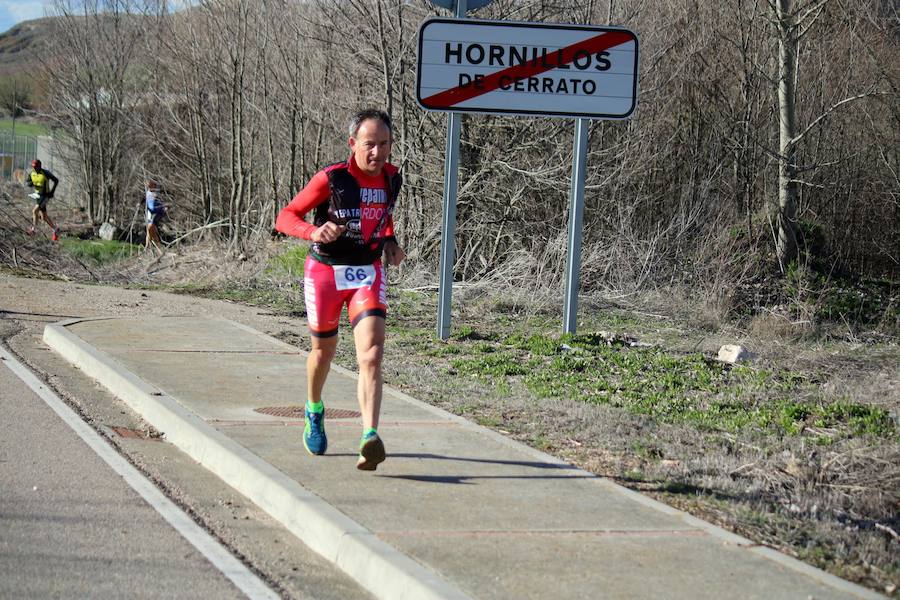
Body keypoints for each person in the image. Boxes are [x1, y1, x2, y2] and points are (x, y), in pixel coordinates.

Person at [275, 109, 405, 471]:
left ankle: (369, 437)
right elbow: (286, 216)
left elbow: (384, 216)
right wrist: (313, 232)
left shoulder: (393, 178)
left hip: (367, 271)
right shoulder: (331, 178)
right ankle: (314, 409)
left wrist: (391, 243)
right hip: (326, 272)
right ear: (353, 145)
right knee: (323, 352)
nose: (378, 153)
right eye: (370, 145)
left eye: (384, 144)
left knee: (372, 354)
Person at [24, 159, 60, 241]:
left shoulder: (45, 173)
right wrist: (30, 184)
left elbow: (56, 180)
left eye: (36, 167)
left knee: (34, 211)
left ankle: (33, 230)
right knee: (44, 217)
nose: (35, 168)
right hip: (38, 196)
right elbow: (28, 182)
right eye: (33, 167)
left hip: (46, 195)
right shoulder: (32, 173)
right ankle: (55, 229)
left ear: (40, 166)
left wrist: (52, 192)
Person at [144, 180, 166, 255]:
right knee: (149, 229)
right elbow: (144, 199)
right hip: (150, 212)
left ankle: (154, 246)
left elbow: (162, 201)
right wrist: (138, 204)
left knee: (151, 227)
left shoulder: (157, 193)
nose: (149, 187)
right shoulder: (148, 193)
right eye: (148, 186)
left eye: (150, 186)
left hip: (157, 212)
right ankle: (148, 247)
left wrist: (164, 207)